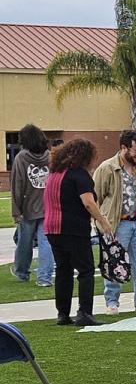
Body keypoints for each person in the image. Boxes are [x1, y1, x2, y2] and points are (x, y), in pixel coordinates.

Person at [43, 139, 113, 327]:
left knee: (63, 270)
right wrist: (103, 221)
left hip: (52, 229)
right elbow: (88, 202)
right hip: (73, 228)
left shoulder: (55, 174)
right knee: (85, 270)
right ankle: (84, 312)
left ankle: (62, 313)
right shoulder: (79, 175)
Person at [92, 130, 136, 315]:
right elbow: (96, 197)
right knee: (114, 263)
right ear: (123, 148)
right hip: (117, 223)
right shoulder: (107, 168)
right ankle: (112, 302)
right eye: (135, 150)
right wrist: (101, 222)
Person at [10, 123, 53, 287]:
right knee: (46, 243)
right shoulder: (49, 156)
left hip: (27, 209)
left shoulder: (21, 158)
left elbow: (17, 185)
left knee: (24, 242)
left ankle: (22, 272)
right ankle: (45, 278)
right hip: (47, 207)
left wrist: (16, 211)